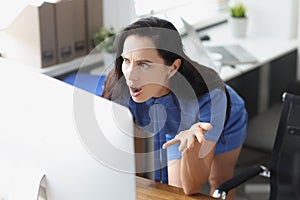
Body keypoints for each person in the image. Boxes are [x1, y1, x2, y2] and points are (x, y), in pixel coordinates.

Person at [101, 17, 247, 199]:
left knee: (218, 180)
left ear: (172, 67)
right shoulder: (119, 86)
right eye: (126, 60)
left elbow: (193, 186)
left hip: (225, 119)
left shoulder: (210, 98)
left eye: (144, 64)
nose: (130, 75)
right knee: (173, 190)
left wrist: (190, 148)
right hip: (173, 126)